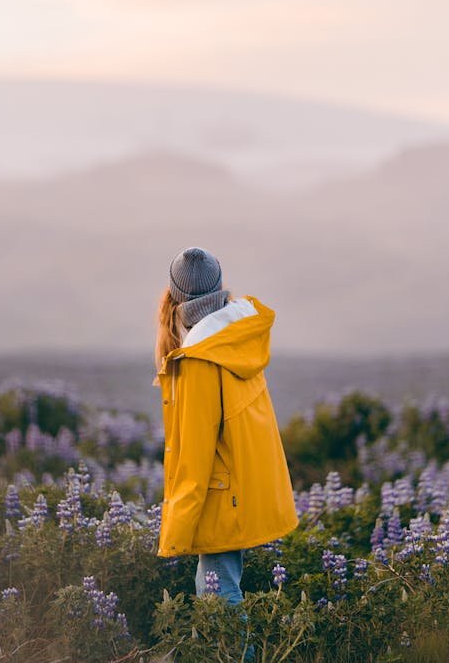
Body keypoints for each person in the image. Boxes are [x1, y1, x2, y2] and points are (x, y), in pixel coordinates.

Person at [153, 246, 299, 659]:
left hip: (219, 493)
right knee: (217, 590)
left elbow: (195, 457)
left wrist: (175, 532)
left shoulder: (201, 359)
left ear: (176, 297)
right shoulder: (237, 338)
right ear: (218, 289)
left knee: (219, 600)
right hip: (244, 488)